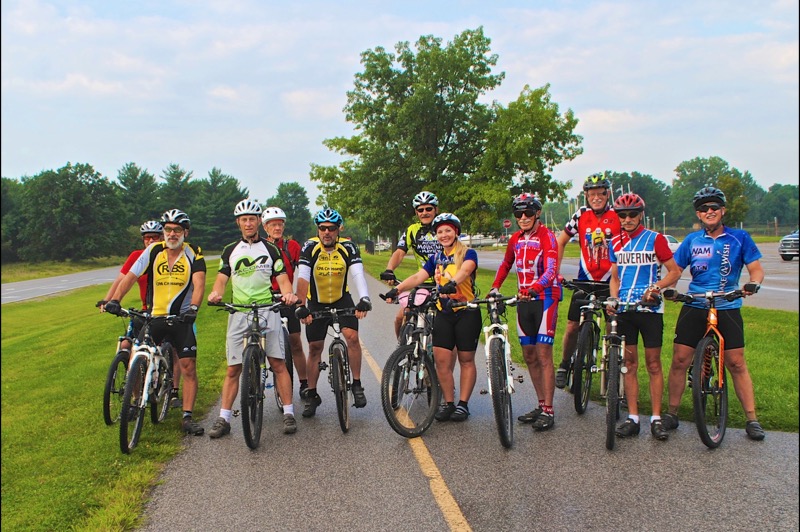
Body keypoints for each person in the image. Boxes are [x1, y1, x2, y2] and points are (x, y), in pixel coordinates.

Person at [662, 186, 766, 440]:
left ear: (723, 211)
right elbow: (675, 271)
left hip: (727, 304)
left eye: (714, 207)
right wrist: (671, 290)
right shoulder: (692, 241)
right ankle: (672, 412)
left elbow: (756, 269)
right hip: (695, 304)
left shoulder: (739, 237)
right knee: (679, 360)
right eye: (703, 209)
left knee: (736, 362)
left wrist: (753, 284)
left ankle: (752, 419)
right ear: (698, 215)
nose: (709, 212)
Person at [104, 209, 207, 436]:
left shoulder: (194, 254)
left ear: (185, 233)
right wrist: (115, 300)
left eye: (177, 230)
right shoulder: (153, 251)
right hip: (154, 316)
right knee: (136, 356)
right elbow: (131, 276)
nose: (172, 234)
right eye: (168, 229)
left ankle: (187, 417)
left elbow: (199, 284)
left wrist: (194, 308)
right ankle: (135, 399)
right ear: (164, 232)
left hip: (181, 319)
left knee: (188, 367)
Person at [207, 200, 299, 438]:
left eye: (252, 219)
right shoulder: (230, 250)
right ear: (239, 222)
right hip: (239, 311)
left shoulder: (271, 250)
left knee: (278, 363)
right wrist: (216, 293)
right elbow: (221, 278)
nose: (248, 223)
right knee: (232, 368)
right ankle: (223, 418)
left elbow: (282, 277)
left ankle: (288, 412)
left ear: (259, 221)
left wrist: (288, 293)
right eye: (244, 219)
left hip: (268, 309)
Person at [383, 213, 481, 422]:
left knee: (465, 359)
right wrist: (397, 290)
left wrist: (453, 283)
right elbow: (419, 277)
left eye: (448, 230)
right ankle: (449, 402)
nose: (444, 235)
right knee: (441, 361)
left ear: (456, 232)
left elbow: (466, 270)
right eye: (439, 232)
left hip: (466, 311)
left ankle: (463, 405)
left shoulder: (468, 253)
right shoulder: (436, 257)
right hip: (443, 313)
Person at [605, 193, 681, 441]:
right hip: (626, 309)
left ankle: (657, 418)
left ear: (641, 215)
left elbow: (674, 272)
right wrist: (613, 298)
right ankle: (633, 417)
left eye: (631, 214)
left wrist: (656, 287)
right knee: (629, 365)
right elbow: (615, 277)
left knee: (654, 364)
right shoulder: (614, 242)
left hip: (649, 309)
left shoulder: (655, 239)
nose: (626, 219)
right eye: (622, 215)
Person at [489, 194, 561, 431]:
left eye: (528, 213)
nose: (522, 218)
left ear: (537, 213)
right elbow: (505, 264)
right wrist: (495, 287)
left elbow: (551, 270)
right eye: (518, 214)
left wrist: (535, 288)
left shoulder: (547, 237)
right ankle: (540, 404)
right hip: (524, 299)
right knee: (529, 355)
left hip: (545, 298)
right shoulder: (515, 239)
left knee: (543, 354)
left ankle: (549, 410)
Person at [294, 208, 372, 417]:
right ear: (318, 229)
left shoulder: (348, 246)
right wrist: (301, 305)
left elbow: (357, 274)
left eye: (331, 228)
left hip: (341, 299)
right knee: (314, 348)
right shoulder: (310, 247)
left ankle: (356, 385)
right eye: (322, 228)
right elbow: (303, 276)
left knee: (352, 337)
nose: (326, 232)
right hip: (317, 302)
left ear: (339, 229)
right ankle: (311, 394)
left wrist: (364, 298)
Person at [98, 220, 183, 409]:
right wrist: (109, 300)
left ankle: (175, 392)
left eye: (155, 237)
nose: (150, 241)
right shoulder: (138, 256)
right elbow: (122, 279)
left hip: (168, 311)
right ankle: (135, 396)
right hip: (146, 310)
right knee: (128, 345)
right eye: (147, 238)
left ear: (162, 238)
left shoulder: (166, 254)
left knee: (174, 349)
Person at [554, 173, 621, 389]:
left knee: (614, 326)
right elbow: (561, 241)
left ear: (607, 194)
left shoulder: (618, 215)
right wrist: (555, 271)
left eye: (600, 193)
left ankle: (614, 373)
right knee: (573, 325)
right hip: (586, 280)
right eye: (591, 194)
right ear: (586, 196)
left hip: (610, 282)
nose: (596, 198)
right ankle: (565, 364)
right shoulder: (581, 215)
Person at [380, 191, 442, 337]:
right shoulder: (412, 230)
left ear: (436, 210)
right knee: (400, 317)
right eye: (420, 210)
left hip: (444, 284)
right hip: (422, 283)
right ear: (416, 212)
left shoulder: (444, 228)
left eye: (429, 209)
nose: (424, 213)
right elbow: (400, 252)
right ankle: (403, 351)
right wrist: (389, 269)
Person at [262, 206, 309, 399]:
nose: (277, 228)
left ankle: (304, 383)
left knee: (295, 342)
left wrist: (301, 298)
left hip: (287, 297)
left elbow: (304, 271)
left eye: (280, 224)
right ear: (265, 227)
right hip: (265, 298)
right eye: (273, 224)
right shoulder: (260, 247)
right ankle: (256, 377)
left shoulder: (292, 246)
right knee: (262, 341)